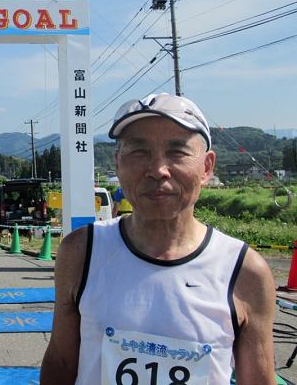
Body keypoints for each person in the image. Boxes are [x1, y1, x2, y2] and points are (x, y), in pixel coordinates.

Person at [41, 93, 276, 384]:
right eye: (138, 151)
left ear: (206, 167)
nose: (157, 170)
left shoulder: (245, 271)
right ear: (118, 163)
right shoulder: (81, 252)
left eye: (177, 152)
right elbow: (61, 362)